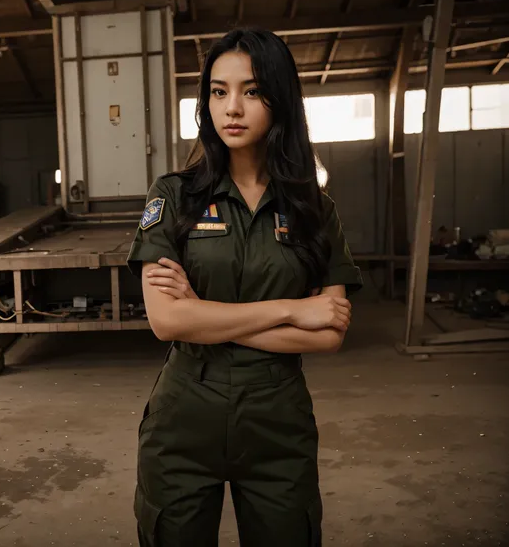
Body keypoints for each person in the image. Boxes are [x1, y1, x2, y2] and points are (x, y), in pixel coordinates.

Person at [125, 27, 363, 546]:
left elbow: (328, 335)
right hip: (184, 417)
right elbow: (167, 321)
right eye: (218, 91)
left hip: (278, 419)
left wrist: (204, 315)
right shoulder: (175, 195)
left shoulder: (313, 210)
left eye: (251, 91)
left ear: (280, 97)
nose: (232, 107)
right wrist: (293, 310)